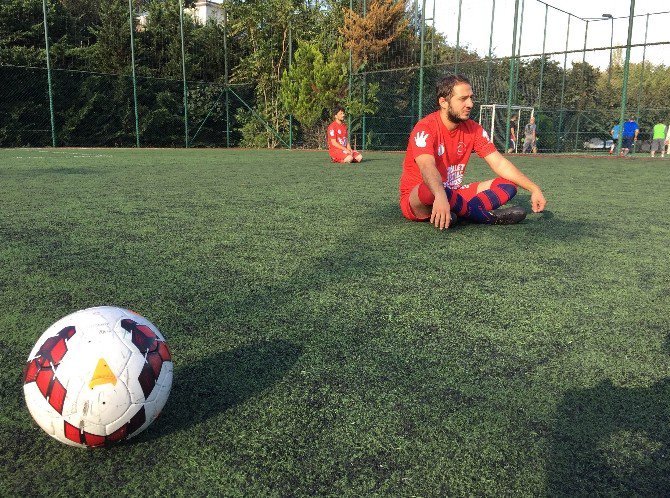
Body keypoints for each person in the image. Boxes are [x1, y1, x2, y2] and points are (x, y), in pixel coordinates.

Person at [399, 74, 546, 230]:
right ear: (443, 102)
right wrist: (440, 195)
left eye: (471, 98)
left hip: (453, 193)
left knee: (508, 185)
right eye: (463, 99)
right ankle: (486, 218)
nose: (470, 104)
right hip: (420, 199)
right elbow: (426, 166)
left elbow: (499, 163)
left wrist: (533, 188)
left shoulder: (474, 129)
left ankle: (464, 213)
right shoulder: (425, 127)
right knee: (429, 189)